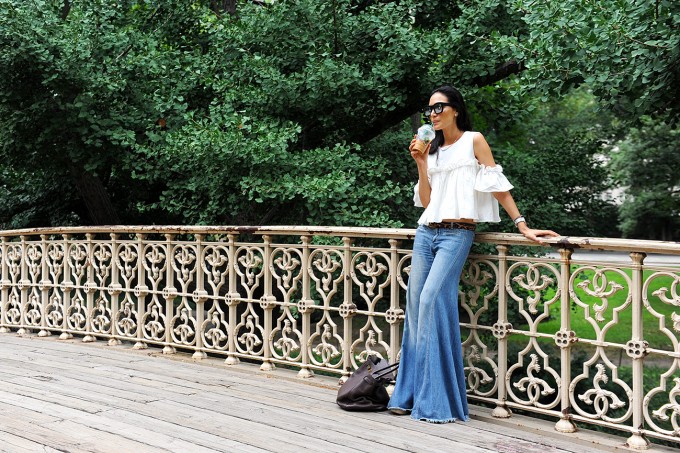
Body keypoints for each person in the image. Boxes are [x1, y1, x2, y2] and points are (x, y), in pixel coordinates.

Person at [387, 85, 559, 423]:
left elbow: (497, 186)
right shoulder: (432, 150)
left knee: (431, 299)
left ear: (455, 109)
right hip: (426, 232)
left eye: (439, 107)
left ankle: (436, 400)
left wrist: (522, 225)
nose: (433, 114)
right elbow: (426, 201)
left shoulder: (473, 141)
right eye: (430, 109)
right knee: (415, 307)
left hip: (457, 234)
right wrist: (421, 162)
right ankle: (406, 395)